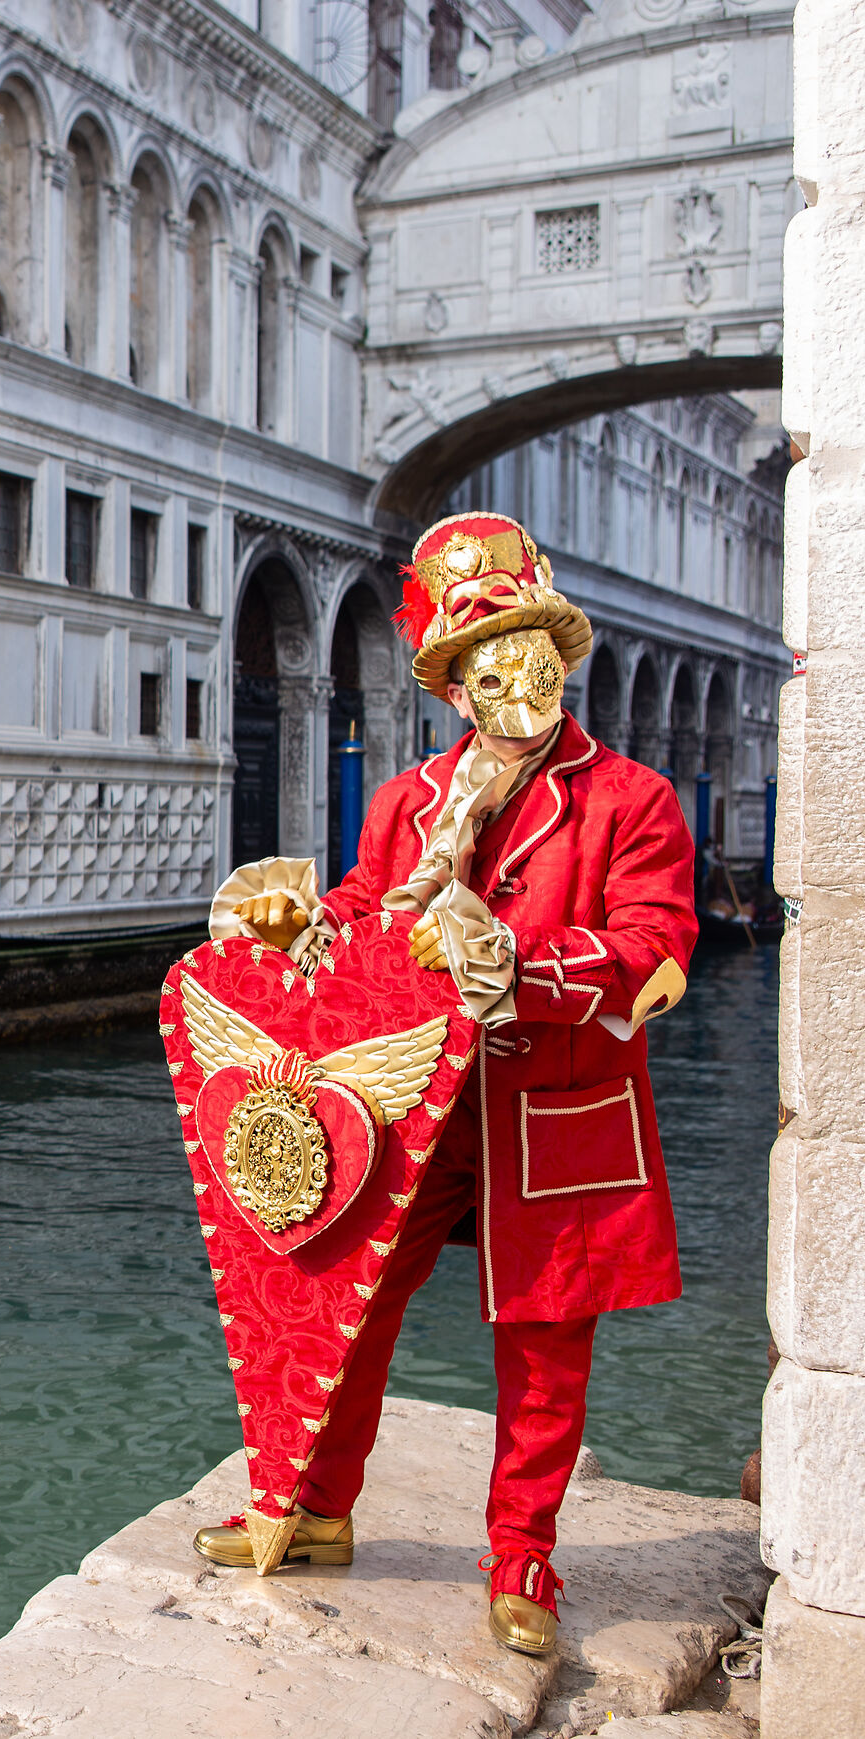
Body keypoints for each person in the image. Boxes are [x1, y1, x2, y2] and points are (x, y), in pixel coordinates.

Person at [193, 512, 696, 1658]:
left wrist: (519, 964)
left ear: (556, 658)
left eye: (528, 652)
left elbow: (659, 951)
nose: (511, 680)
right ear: (456, 688)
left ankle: (522, 1552)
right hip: (409, 1101)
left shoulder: (631, 800)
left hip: (554, 1101)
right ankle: (314, 1506)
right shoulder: (408, 801)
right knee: (344, 1296)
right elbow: (367, 916)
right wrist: (299, 926)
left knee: (546, 1337)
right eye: (484, 664)